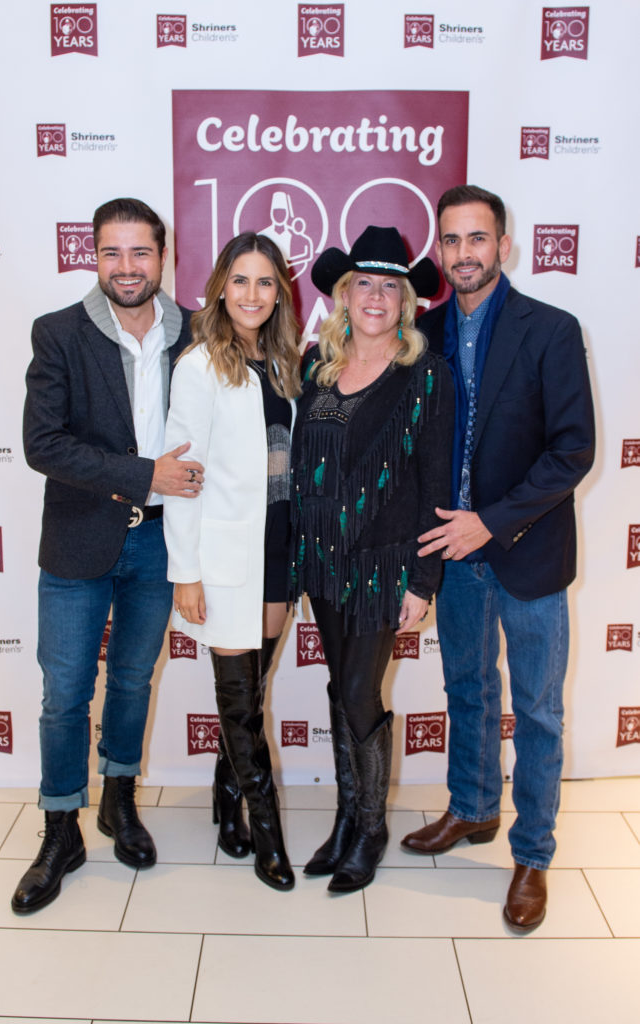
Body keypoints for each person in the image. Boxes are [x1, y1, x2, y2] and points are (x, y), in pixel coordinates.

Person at [399, 185, 595, 933]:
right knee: (469, 690)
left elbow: (573, 450)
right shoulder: (428, 329)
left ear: (503, 246)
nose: (463, 254)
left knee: (538, 711)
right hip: (455, 555)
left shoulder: (552, 329)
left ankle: (533, 855)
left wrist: (493, 522)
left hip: (529, 553)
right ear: (439, 250)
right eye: (450, 241)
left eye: (477, 239)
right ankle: (474, 809)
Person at [12, 198, 204, 914]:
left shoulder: (193, 331)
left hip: (161, 541)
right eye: (112, 254)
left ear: (164, 254)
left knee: (131, 681)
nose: (127, 268)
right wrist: (141, 473)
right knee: (65, 693)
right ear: (94, 257)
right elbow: (43, 445)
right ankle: (60, 826)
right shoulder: (59, 333)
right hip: (77, 539)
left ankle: (117, 802)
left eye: (141, 253)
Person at [291, 226, 454, 893]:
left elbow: (436, 483)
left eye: (392, 285)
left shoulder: (427, 375)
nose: (377, 296)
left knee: (360, 691)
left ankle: (371, 825)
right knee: (338, 688)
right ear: (344, 293)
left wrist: (425, 579)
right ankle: (344, 820)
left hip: (385, 564)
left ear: (408, 299)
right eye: (365, 283)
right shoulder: (315, 365)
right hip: (323, 561)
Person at [163, 231, 302, 891]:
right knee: (241, 704)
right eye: (240, 280)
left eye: (265, 282)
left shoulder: (283, 362)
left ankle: (225, 798)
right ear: (221, 286)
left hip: (277, 550)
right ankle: (265, 832)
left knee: (254, 689)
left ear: (280, 292)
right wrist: (184, 570)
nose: (252, 294)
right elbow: (183, 474)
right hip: (222, 555)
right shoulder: (199, 365)